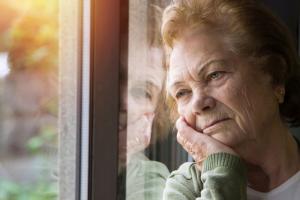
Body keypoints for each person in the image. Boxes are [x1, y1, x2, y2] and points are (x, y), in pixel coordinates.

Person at [161, 0, 300, 199]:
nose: (199, 104)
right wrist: (222, 169)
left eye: (214, 75)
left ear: (274, 76)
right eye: (182, 92)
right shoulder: (185, 189)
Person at [118, 4, 170, 200]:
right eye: (113, 77)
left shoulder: (150, 181)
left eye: (143, 92)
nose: (124, 102)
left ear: (155, 115)